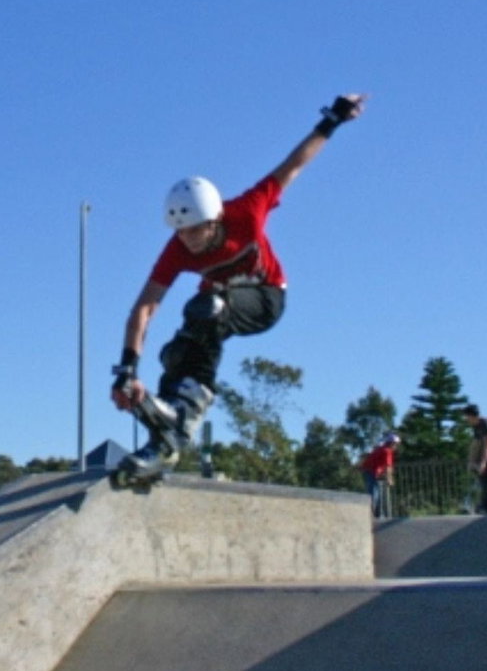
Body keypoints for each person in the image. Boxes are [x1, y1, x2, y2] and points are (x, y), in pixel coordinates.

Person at [110, 94, 368, 482]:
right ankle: (163, 440)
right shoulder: (176, 248)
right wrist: (127, 370)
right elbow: (144, 307)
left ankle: (187, 415)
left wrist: (332, 120)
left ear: (215, 219)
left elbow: (293, 166)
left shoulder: (247, 211)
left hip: (267, 298)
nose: (191, 240)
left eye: (197, 230)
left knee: (208, 306)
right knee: (176, 352)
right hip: (222, 306)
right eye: (182, 233)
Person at [359, 432, 399, 518]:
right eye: (395, 444)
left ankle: (377, 514)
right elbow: (388, 467)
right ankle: (371, 514)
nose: (396, 446)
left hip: (368, 471)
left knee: (375, 492)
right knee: (374, 493)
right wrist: (390, 479)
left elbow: (382, 464)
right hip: (370, 471)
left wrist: (383, 474)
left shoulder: (381, 448)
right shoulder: (387, 451)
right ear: (391, 443)